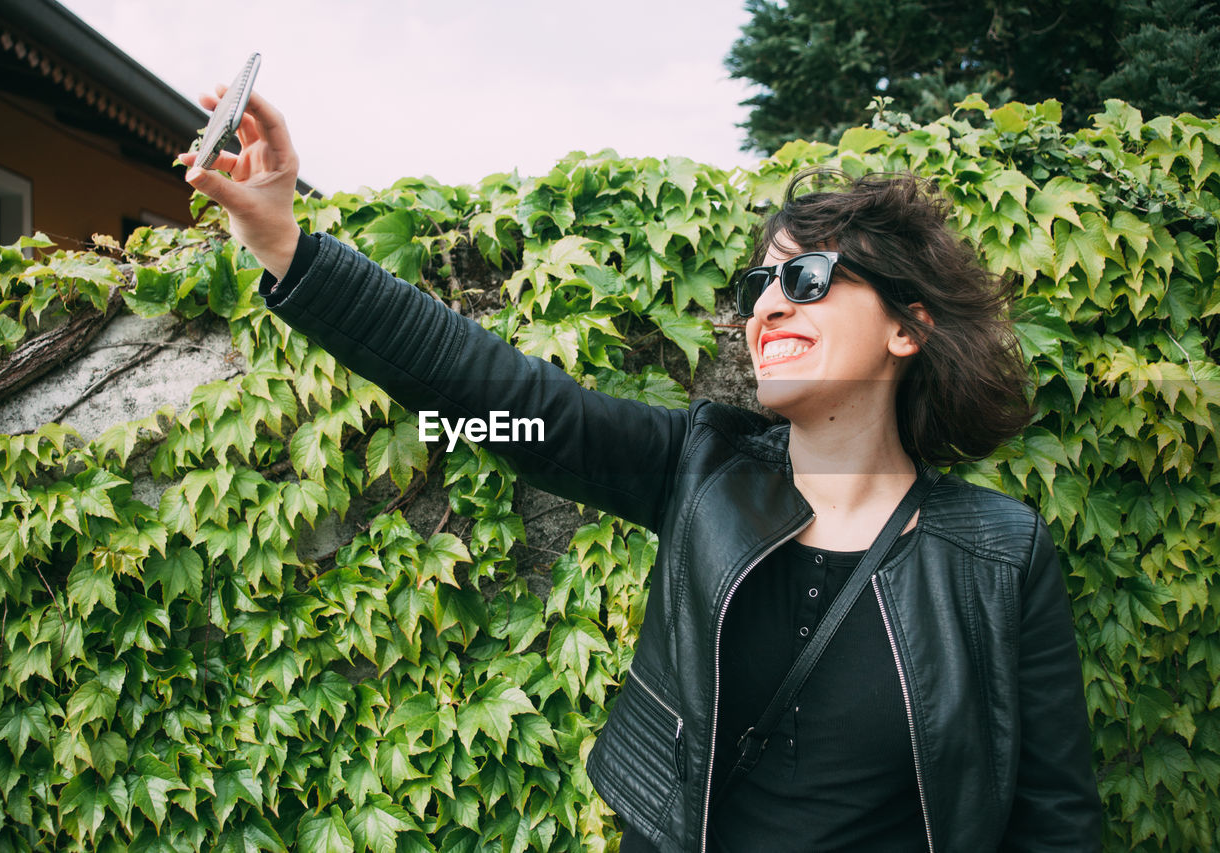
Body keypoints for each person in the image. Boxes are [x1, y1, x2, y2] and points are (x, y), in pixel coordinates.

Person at [181, 86, 1102, 852]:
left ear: (908, 326)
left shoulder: (999, 553)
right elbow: (492, 398)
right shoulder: (700, 472)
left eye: (809, 278)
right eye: (757, 286)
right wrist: (287, 248)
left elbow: (1053, 815)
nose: (767, 305)